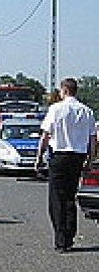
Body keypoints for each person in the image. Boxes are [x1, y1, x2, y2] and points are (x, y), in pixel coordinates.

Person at [34, 78, 97, 252]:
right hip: (78, 157)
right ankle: (69, 235)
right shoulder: (87, 111)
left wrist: (38, 157)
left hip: (60, 156)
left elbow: (45, 136)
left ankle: (61, 239)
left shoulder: (56, 109)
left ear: (64, 90)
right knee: (70, 196)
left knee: (57, 198)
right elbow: (93, 139)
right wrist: (90, 160)